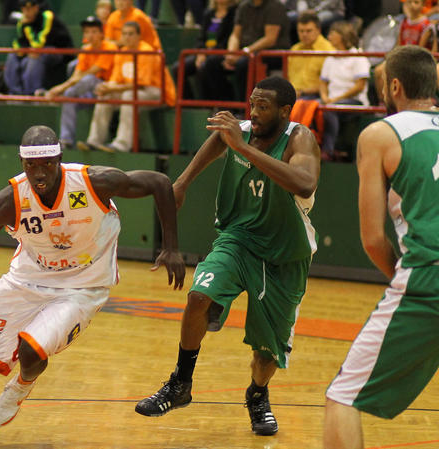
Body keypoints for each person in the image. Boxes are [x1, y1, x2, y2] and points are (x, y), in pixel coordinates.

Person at [0, 125, 186, 438]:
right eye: (31, 165)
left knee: (31, 350)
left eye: (47, 164)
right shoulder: (8, 201)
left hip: (82, 286)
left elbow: (159, 182)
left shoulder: (94, 182)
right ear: (22, 163)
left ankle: (20, 386)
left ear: (59, 159)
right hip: (25, 279)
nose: (39, 173)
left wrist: (171, 247)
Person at [134, 76, 320, 437]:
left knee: (266, 354)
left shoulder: (300, 138)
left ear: (285, 111)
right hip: (238, 238)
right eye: (252, 104)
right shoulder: (241, 132)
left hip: (284, 254)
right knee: (198, 296)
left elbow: (304, 183)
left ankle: (257, 395)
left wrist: (243, 148)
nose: (254, 113)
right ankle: (180, 383)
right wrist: (183, 182)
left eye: (263, 107)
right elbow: (219, 139)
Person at [323, 45, 439, 449]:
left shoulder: (380, 134)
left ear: (395, 86)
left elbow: (373, 239)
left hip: (428, 276)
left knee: (343, 397)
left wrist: (404, 280)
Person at [77, 21, 176, 153]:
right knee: (106, 96)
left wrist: (112, 88)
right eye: (124, 34)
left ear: (138, 36)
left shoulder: (146, 51)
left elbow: (140, 84)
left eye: (130, 34)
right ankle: (94, 141)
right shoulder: (122, 52)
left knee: (129, 96)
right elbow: (115, 80)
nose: (127, 37)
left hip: (156, 91)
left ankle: (121, 144)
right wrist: (104, 87)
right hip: (131, 89)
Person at [44, 16, 118, 149]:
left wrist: (60, 89)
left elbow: (92, 72)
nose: (91, 35)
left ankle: (61, 95)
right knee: (69, 99)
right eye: (87, 32)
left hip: (108, 89)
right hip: (89, 92)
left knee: (87, 80)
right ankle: (66, 140)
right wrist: (62, 88)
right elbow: (77, 75)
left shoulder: (109, 47)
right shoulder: (86, 49)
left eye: (94, 32)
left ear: (101, 34)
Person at [200, 0, 290, 102]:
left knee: (243, 64)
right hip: (246, 52)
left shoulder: (275, 6)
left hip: (271, 53)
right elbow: (235, 35)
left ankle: (245, 106)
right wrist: (231, 54)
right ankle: (225, 104)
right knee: (212, 62)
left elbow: (270, 39)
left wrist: (244, 53)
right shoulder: (243, 6)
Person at [319, 21, 370, 160]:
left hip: (355, 101)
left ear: (342, 35)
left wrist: (335, 99)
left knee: (330, 109)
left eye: (332, 33)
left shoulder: (358, 56)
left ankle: (328, 151)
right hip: (331, 100)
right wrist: (324, 97)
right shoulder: (330, 57)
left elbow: (359, 86)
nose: (329, 37)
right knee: (309, 106)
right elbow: (323, 82)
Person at [3, 0, 74, 96]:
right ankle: (15, 93)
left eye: (29, 9)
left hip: (58, 51)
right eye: (24, 9)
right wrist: (20, 51)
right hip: (34, 50)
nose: (26, 12)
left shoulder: (47, 16)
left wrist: (27, 26)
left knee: (35, 57)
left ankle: (32, 94)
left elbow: (40, 43)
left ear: (36, 8)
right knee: (13, 55)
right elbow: (20, 42)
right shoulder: (23, 21)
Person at [174, 0, 237, 100]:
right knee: (179, 67)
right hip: (204, 52)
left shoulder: (235, 13)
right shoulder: (209, 14)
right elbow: (201, 38)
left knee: (205, 66)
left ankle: (215, 102)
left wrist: (207, 53)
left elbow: (229, 39)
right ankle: (188, 103)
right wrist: (201, 52)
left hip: (222, 52)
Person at [374, 0, 430, 102]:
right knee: (379, 70)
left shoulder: (426, 24)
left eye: (416, 2)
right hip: (402, 57)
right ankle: (383, 102)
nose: (412, 5)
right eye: (409, 2)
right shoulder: (404, 22)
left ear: (423, 5)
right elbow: (398, 44)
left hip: (416, 59)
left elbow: (421, 50)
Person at [287, 11, 336, 99]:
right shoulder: (294, 49)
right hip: (293, 95)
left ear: (318, 30)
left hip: (317, 96)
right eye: (301, 31)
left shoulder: (329, 50)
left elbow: (332, 82)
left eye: (309, 31)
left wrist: (302, 92)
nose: (304, 34)